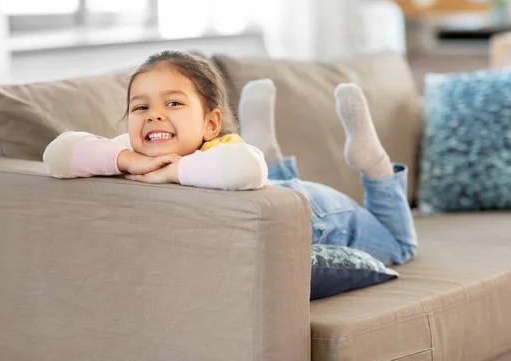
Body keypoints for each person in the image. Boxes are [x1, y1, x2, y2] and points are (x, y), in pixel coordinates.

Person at [43, 50, 417, 266]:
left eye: (173, 103)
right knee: (263, 165)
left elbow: (247, 169)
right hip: (281, 194)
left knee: (400, 245)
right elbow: (57, 154)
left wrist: (176, 171)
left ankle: (374, 164)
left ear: (210, 124)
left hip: (322, 213)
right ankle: (269, 147)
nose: (154, 115)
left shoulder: (219, 152)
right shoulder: (134, 150)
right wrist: (124, 159)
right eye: (141, 107)